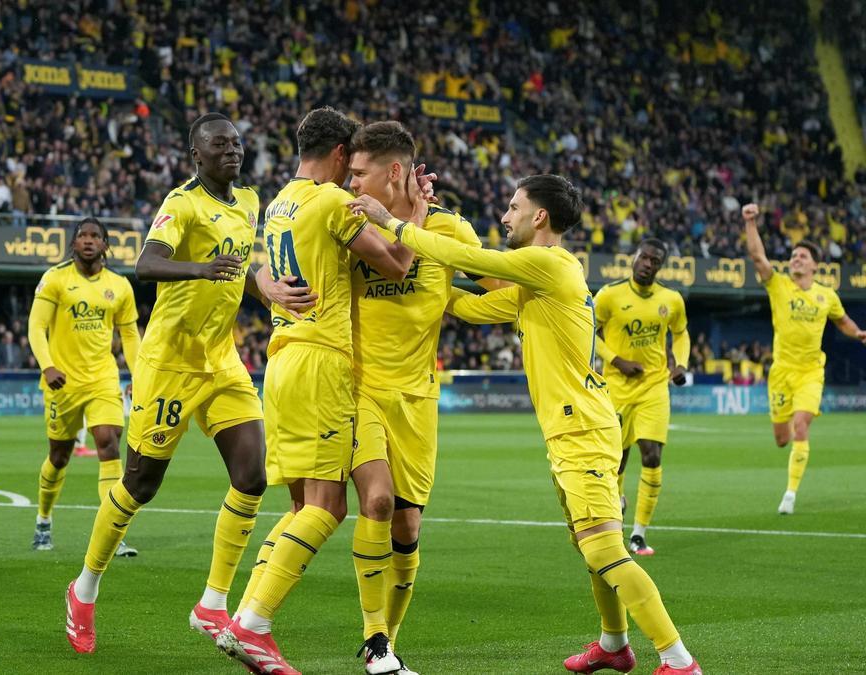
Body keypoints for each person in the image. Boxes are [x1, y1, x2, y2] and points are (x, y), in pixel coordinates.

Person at [358, 174, 702, 674]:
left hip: (582, 428)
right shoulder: (540, 284)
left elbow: (475, 261)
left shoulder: (548, 263)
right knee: (590, 545)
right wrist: (416, 283)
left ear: (539, 216)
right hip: (572, 428)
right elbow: (469, 305)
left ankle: (678, 660)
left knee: (605, 547)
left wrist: (393, 222)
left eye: (513, 207)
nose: (505, 216)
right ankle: (613, 643)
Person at [64, 113, 311, 654]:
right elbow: (146, 263)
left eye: (237, 143)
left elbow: (243, 267)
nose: (232, 151)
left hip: (220, 358)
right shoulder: (182, 202)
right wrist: (201, 268)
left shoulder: (249, 201)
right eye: (219, 145)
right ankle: (83, 590)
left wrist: (268, 289)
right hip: (170, 362)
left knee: (252, 475)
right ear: (196, 154)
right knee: (141, 484)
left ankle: (213, 604)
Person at [216, 108, 419, 675]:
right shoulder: (331, 204)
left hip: (280, 360)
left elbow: (258, 272)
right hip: (323, 363)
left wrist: (258, 281)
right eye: (348, 164)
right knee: (328, 508)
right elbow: (400, 264)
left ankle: (247, 618)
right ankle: (251, 624)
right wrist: (417, 211)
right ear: (336, 154)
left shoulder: (279, 201)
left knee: (304, 506)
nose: (350, 176)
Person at [340, 120, 496, 673]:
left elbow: (498, 287)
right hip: (360, 391)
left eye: (360, 173)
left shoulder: (451, 229)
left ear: (397, 172)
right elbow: (289, 256)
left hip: (419, 400)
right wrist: (263, 279)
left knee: (407, 529)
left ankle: (389, 640)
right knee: (377, 501)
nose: (350, 182)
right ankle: (374, 638)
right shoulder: (348, 222)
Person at [742, 203, 866, 514]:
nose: (795, 258)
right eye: (793, 255)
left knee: (801, 426)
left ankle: (790, 494)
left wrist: (859, 333)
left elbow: (842, 321)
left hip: (812, 372)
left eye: (802, 256)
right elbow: (758, 256)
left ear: (814, 266)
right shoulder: (778, 284)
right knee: (782, 439)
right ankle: (790, 479)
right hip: (781, 371)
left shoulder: (827, 295)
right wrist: (751, 222)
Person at [27, 217, 141, 556]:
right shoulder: (55, 279)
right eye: (82, 236)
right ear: (74, 244)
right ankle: (43, 520)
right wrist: (47, 366)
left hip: (103, 379)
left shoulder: (120, 286)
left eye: (95, 236)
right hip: (62, 382)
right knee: (59, 457)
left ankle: (113, 533)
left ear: (106, 245)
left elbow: (130, 335)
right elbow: (36, 327)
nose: (88, 241)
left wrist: (139, 374)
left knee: (108, 442)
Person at [593, 238, 690, 555]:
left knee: (652, 456)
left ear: (661, 266)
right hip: (617, 387)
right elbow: (588, 331)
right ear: (634, 258)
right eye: (644, 257)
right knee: (617, 461)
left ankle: (639, 534)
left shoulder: (671, 299)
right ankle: (616, 505)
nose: (648, 263)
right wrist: (617, 360)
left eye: (655, 261)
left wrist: (680, 364)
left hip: (654, 387)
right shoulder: (609, 295)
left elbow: (681, 333)